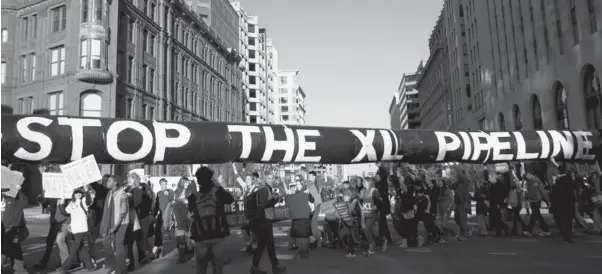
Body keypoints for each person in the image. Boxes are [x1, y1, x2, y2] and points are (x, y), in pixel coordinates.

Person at [188, 167, 234, 274]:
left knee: (201, 268)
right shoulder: (218, 192)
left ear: (198, 181)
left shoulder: (193, 197)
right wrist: (218, 185)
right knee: (217, 268)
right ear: (211, 178)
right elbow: (230, 199)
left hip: (201, 238)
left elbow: (191, 213)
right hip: (217, 235)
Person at [249, 171, 286, 274]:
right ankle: (256, 267)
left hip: (263, 220)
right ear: (265, 179)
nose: (272, 180)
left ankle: (274, 266)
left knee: (268, 244)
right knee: (263, 245)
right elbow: (266, 204)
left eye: (272, 178)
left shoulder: (264, 189)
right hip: (264, 220)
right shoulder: (264, 189)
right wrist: (276, 198)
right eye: (269, 178)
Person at [57, 189, 96, 274]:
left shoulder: (83, 200)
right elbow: (64, 212)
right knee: (81, 248)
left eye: (79, 193)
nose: (78, 194)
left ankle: (64, 268)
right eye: (76, 193)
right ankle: (90, 267)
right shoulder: (72, 203)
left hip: (81, 228)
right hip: (75, 229)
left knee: (73, 249)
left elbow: (88, 201)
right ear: (73, 194)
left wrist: (86, 190)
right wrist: (62, 201)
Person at [100, 175, 129, 274]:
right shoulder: (109, 193)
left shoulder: (122, 194)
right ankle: (116, 266)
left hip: (121, 223)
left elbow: (123, 212)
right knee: (109, 245)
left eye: (109, 181)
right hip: (111, 223)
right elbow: (106, 210)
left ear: (115, 182)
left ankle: (120, 270)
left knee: (118, 245)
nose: (107, 182)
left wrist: (115, 227)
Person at [34, 193, 70, 269]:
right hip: (54, 221)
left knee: (60, 241)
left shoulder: (65, 195)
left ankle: (65, 263)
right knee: (51, 241)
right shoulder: (52, 195)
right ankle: (45, 262)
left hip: (62, 222)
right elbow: (45, 204)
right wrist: (40, 198)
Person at [1, 189, 29, 274]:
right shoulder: (4, 198)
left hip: (11, 229)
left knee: (7, 250)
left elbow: (24, 202)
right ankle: (20, 270)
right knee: (12, 250)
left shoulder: (14, 200)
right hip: (4, 229)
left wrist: (17, 189)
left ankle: (20, 270)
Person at [285, 181, 314, 258]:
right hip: (298, 217)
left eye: (298, 184)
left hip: (302, 216)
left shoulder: (305, 193)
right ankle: (301, 250)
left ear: (302, 185)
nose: (297, 186)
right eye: (296, 184)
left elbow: (312, 200)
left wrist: (310, 192)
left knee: (303, 235)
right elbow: (288, 203)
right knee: (299, 235)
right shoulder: (294, 194)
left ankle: (304, 250)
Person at [523, 163, 551, 237]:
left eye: (528, 175)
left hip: (536, 201)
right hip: (533, 201)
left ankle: (531, 231)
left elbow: (542, 191)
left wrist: (547, 201)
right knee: (536, 216)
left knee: (535, 216)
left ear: (532, 174)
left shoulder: (537, 181)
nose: (527, 176)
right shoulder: (529, 182)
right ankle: (544, 230)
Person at [551, 163, 576, 243]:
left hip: (559, 206)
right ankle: (568, 238)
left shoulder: (558, 183)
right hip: (569, 205)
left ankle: (565, 237)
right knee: (568, 222)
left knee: (559, 222)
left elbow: (553, 195)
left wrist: (552, 206)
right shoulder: (570, 181)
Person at [359, 177, 382, 255]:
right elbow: (361, 201)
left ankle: (371, 246)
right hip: (366, 213)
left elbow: (379, 202)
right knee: (370, 231)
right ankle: (382, 241)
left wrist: (376, 207)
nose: (363, 183)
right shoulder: (364, 191)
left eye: (365, 182)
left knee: (367, 228)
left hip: (373, 213)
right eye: (363, 182)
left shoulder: (374, 190)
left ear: (369, 182)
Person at [152, 178, 174, 257]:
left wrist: (168, 195)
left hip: (168, 214)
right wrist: (154, 214)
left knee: (166, 231)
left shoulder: (170, 191)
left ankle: (175, 247)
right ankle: (158, 247)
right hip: (161, 214)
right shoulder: (158, 193)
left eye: (164, 184)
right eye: (162, 184)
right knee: (157, 230)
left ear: (166, 184)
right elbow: (157, 205)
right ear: (160, 185)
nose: (163, 186)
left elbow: (173, 200)